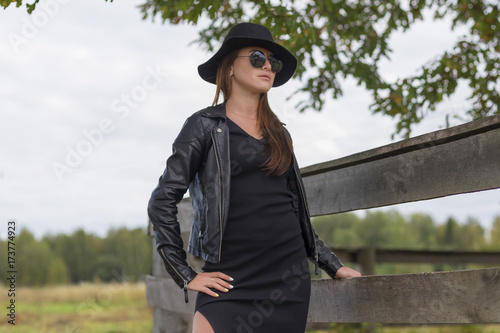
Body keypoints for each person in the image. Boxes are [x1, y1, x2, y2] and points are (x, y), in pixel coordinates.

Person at [148, 22, 361, 333]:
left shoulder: (280, 134)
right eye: (257, 57)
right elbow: (161, 201)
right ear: (230, 66)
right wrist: (185, 274)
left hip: (285, 278)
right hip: (229, 277)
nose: (268, 67)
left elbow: (294, 209)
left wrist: (333, 264)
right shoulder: (203, 126)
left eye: (273, 62)